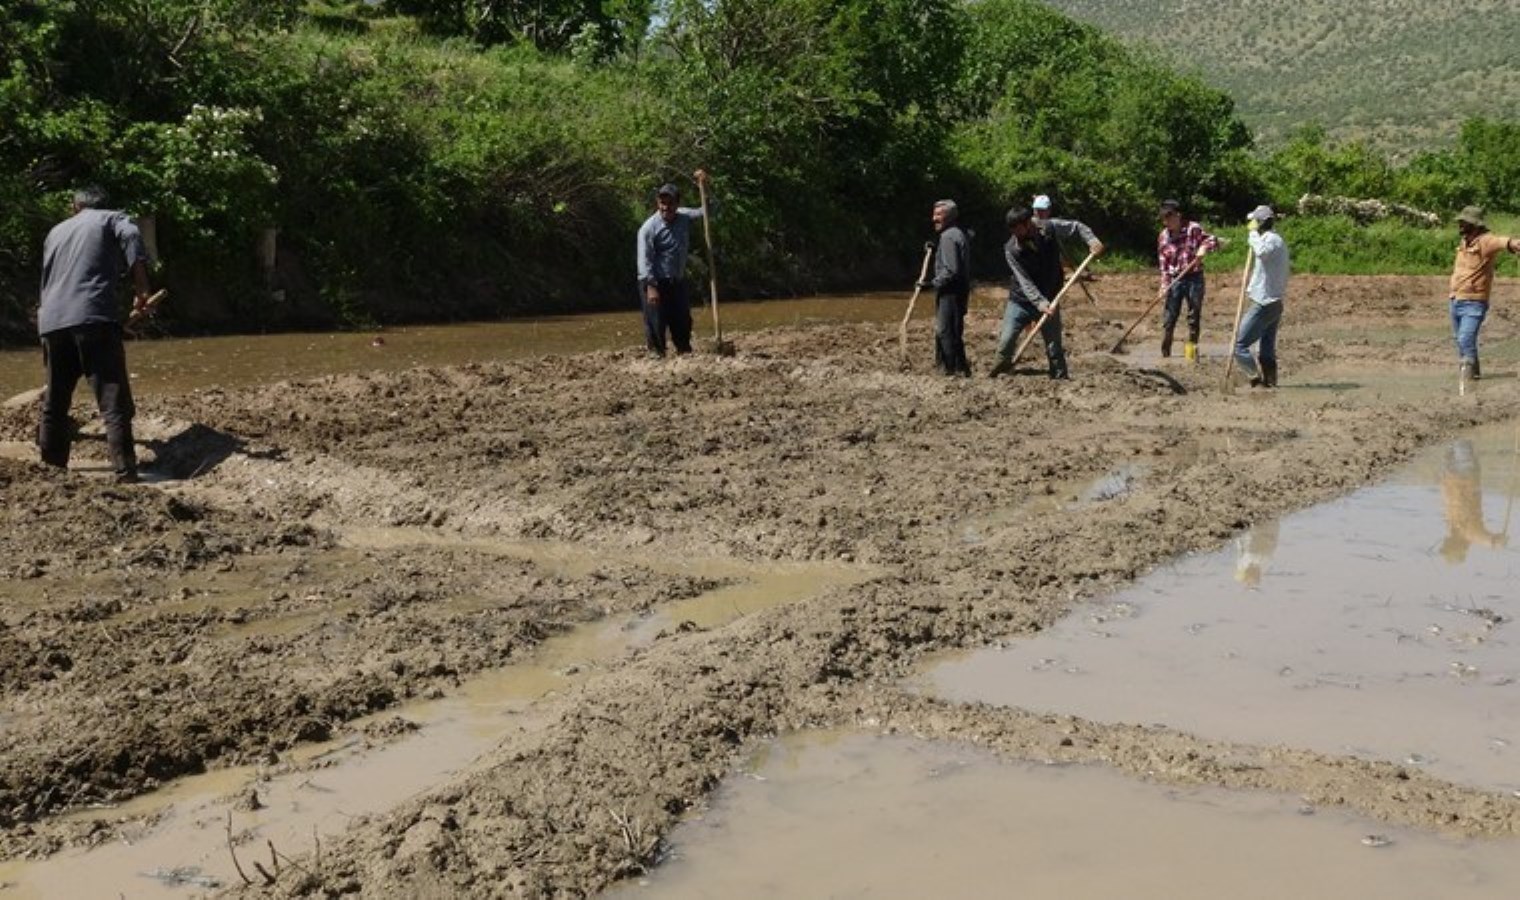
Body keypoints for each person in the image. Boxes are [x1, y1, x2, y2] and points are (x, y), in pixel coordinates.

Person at [35, 186, 153, 483]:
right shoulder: (113, 218)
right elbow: (132, 236)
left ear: (75, 207)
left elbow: (47, 278)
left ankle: (51, 470)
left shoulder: (56, 231)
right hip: (92, 316)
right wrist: (142, 291)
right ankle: (125, 472)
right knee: (113, 399)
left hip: (52, 320)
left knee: (56, 401)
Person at [989, 205, 1104, 380]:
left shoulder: (1049, 227)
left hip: (1051, 296)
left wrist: (1092, 240)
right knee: (1006, 341)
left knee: (1054, 346)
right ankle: (998, 372)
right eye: (1011, 230)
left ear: (1028, 224)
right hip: (1020, 300)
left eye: (1017, 229)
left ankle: (1059, 377)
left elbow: (1077, 227)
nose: (1015, 234)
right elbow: (1024, 281)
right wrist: (1040, 303)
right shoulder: (1011, 249)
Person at [636, 170, 712, 357]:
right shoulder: (648, 228)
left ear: (677, 204)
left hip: (676, 280)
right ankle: (656, 353)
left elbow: (708, 211)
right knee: (656, 320)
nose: (665, 208)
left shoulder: (684, 217)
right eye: (662, 203)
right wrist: (651, 287)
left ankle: (683, 349)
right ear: (657, 203)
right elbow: (644, 260)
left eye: (670, 203)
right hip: (654, 280)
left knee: (682, 319)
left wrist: (705, 187)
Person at [1447, 205, 1520, 380]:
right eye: (1461, 222)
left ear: (1476, 224)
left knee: (1465, 338)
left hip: (1473, 302)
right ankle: (1474, 374)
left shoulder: (1486, 240)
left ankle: (1467, 379)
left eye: (1464, 222)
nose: (1461, 225)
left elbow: (1504, 242)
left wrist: (1515, 244)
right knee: (1461, 340)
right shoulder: (1465, 241)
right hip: (1455, 299)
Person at [1233, 205, 1290, 388]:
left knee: (1239, 346)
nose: (1252, 224)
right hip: (1271, 300)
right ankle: (1271, 384)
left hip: (1265, 302)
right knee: (1266, 348)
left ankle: (1256, 381)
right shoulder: (1270, 239)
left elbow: (1261, 252)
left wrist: (1252, 234)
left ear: (1262, 222)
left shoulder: (1272, 240)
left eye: (1255, 221)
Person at [1156, 199, 1218, 360]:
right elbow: (1164, 266)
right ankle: (1165, 351)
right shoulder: (1163, 237)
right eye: (1164, 219)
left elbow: (1212, 240)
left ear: (1178, 215)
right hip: (1175, 278)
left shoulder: (1193, 229)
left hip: (1194, 277)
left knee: (1193, 315)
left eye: (1170, 218)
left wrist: (1204, 248)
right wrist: (1163, 286)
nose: (1167, 222)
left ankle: (1191, 350)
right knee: (1170, 315)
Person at [920, 199, 972, 377]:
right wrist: (936, 250)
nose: (934, 218)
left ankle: (951, 370)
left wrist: (930, 284)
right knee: (952, 330)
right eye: (934, 214)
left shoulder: (949, 236)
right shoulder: (956, 233)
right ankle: (959, 368)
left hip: (951, 291)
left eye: (938, 215)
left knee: (946, 331)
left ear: (949, 217)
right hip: (958, 290)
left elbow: (951, 270)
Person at [1439, 439, 1506, 563]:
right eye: (1448, 546)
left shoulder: (1453, 528)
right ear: (1458, 545)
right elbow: (1484, 539)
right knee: (1461, 435)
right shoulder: (1469, 533)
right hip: (1464, 475)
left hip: (1450, 474)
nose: (1445, 542)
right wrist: (1495, 542)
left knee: (1453, 435)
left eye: (1446, 545)